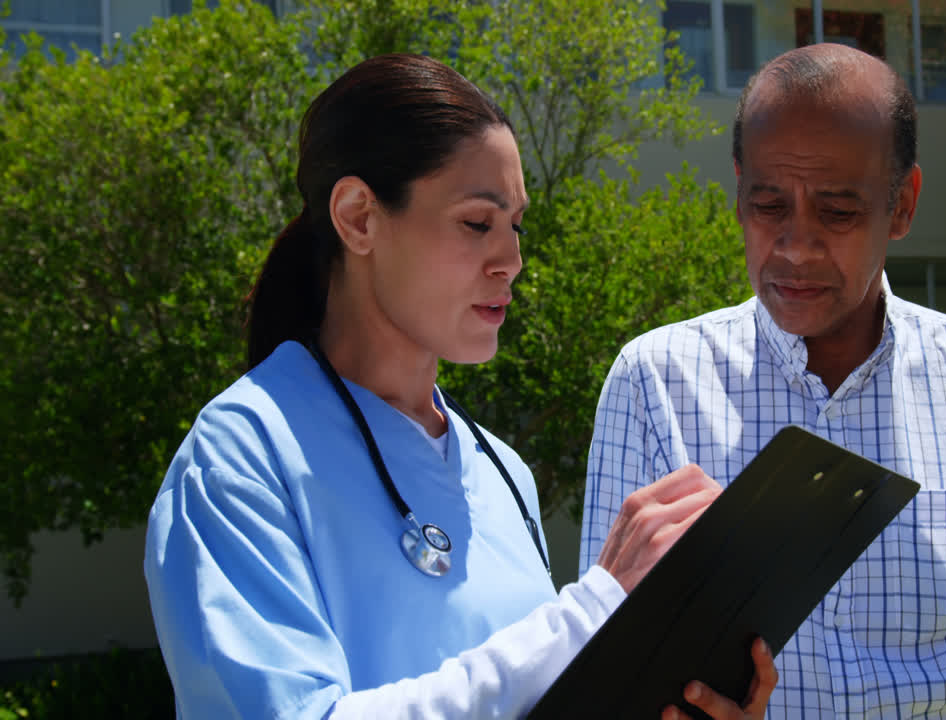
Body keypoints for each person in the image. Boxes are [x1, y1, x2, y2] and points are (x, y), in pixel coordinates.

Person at [143, 53, 777, 720]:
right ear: (358, 217)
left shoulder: (502, 473)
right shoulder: (239, 458)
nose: (512, 261)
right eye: (478, 223)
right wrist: (590, 610)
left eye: (516, 226)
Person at [579, 43, 946, 718]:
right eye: (768, 204)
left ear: (903, 204)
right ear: (738, 191)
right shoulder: (654, 386)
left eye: (837, 211)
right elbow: (609, 676)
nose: (797, 246)